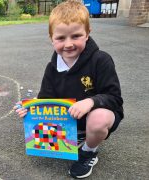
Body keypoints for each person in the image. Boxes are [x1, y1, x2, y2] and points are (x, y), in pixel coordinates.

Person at [14, 0, 123, 179]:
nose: (68, 44)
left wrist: (91, 102)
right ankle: (80, 135)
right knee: (40, 116)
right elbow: (46, 99)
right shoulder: (52, 67)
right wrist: (31, 106)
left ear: (87, 34)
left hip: (100, 115)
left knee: (98, 118)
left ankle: (89, 151)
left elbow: (114, 98)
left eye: (76, 36)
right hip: (71, 119)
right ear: (51, 39)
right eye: (60, 38)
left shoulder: (101, 60)